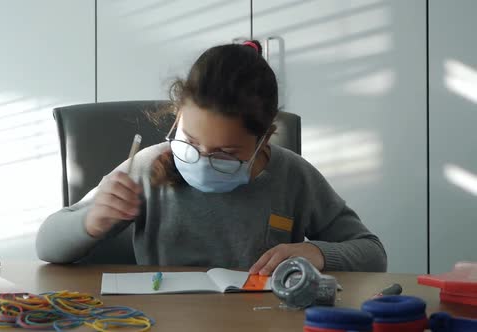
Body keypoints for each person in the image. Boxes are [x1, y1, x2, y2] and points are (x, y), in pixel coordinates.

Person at [36, 40, 387, 275]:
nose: (201, 160)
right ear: (177, 118)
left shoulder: (293, 176)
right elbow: (46, 244)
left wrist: (320, 254)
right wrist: (91, 223)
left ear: (264, 137)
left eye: (226, 154)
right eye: (189, 141)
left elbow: (373, 253)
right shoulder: (149, 165)